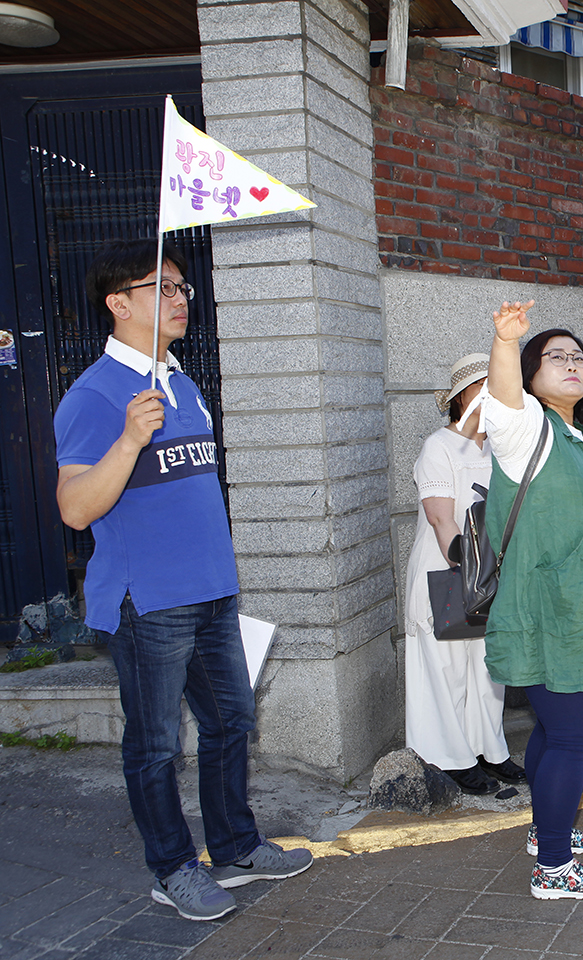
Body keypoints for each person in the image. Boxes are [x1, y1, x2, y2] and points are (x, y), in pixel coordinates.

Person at [53, 239, 311, 921]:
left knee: (230, 723)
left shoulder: (185, 385)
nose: (178, 299)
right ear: (118, 303)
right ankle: (171, 868)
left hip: (212, 593)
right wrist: (129, 440)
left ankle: (235, 847)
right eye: (161, 287)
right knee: (156, 745)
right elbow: (75, 508)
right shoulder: (92, 396)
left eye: (181, 288)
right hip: (149, 602)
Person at [480, 304, 583, 899]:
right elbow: (502, 401)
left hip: (579, 613)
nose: (572, 364)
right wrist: (504, 342)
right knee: (574, 738)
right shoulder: (526, 429)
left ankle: (548, 831)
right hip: (549, 614)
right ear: (529, 373)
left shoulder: (578, 438)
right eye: (555, 357)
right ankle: (554, 868)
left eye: (579, 357)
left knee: (553, 729)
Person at [402, 354, 524, 796]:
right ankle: (450, 759)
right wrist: (469, 564)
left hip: (490, 575)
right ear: (459, 398)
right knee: (447, 670)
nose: (490, 394)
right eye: (480, 386)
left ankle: (489, 751)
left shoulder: (500, 448)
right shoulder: (438, 446)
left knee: (488, 670)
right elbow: (441, 519)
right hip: (447, 573)